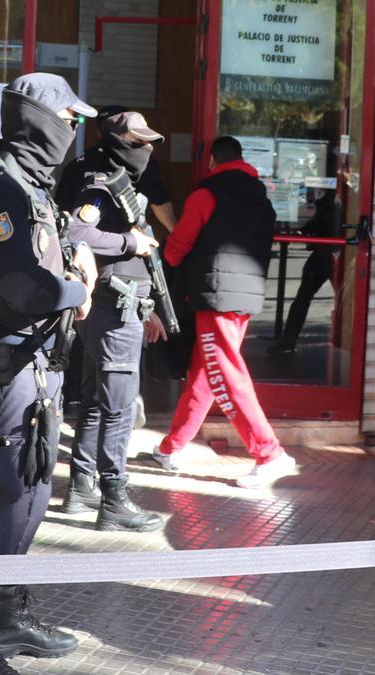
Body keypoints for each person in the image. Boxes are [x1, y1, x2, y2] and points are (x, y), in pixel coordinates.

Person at [0, 73, 98, 675]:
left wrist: (78, 254)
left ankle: (6, 610)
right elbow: (24, 286)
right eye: (70, 120)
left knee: (32, 491)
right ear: (41, 120)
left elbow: (50, 253)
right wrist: (77, 286)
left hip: (39, 367)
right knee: (4, 497)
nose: (75, 132)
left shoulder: (30, 185)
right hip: (6, 370)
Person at [149, 136, 297, 489]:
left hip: (216, 295)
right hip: (246, 294)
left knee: (225, 373)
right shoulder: (260, 197)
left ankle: (269, 453)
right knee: (205, 371)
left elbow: (178, 245)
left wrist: (167, 262)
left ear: (213, 161)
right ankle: (172, 447)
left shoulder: (206, 194)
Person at [61, 111, 167, 532]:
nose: (148, 148)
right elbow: (76, 233)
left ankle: (82, 486)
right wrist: (131, 242)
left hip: (113, 301)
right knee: (119, 405)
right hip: (112, 304)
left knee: (93, 398)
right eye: (138, 140)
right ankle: (114, 497)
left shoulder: (104, 172)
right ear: (117, 140)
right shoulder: (100, 179)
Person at [267, 186, 339, 355]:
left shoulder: (331, 200)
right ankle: (288, 340)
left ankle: (288, 340)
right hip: (330, 253)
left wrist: (301, 229)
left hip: (325, 254)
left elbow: (322, 223)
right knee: (306, 297)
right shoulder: (336, 198)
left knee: (303, 297)